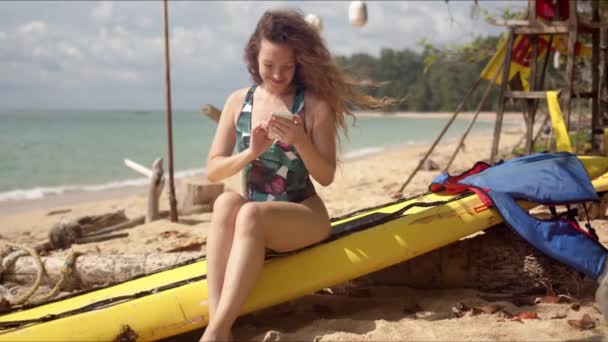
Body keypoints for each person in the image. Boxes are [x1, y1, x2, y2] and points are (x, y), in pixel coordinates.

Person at [200, 8, 391, 341]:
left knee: (249, 214)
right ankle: (220, 326)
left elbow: (327, 175)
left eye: (286, 67)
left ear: (299, 63)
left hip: (304, 215)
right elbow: (213, 168)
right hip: (256, 216)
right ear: (253, 58)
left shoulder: (314, 105)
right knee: (226, 203)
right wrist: (250, 153)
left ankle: (215, 332)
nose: (277, 74)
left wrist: (300, 140)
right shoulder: (238, 102)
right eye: (268, 65)